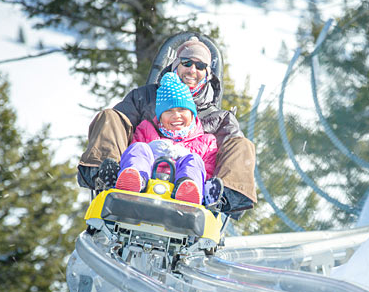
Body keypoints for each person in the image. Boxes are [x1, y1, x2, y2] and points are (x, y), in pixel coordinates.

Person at [78, 36, 256, 218]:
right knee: (110, 118)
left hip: (193, 180)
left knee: (241, 145)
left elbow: (220, 157)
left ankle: (219, 198)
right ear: (175, 66)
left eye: (200, 66)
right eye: (186, 63)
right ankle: (109, 178)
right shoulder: (145, 97)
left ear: (208, 73)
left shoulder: (220, 119)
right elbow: (126, 133)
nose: (192, 70)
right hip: (142, 168)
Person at [116, 72, 221, 205]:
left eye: (182, 109)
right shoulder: (146, 129)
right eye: (169, 111)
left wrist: (182, 156)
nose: (176, 115)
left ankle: (188, 189)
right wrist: (153, 149)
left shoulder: (206, 141)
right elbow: (133, 154)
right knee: (139, 148)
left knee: (194, 160)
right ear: (160, 117)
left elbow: (207, 170)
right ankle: (133, 180)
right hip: (147, 185)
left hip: (179, 193)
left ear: (192, 113)